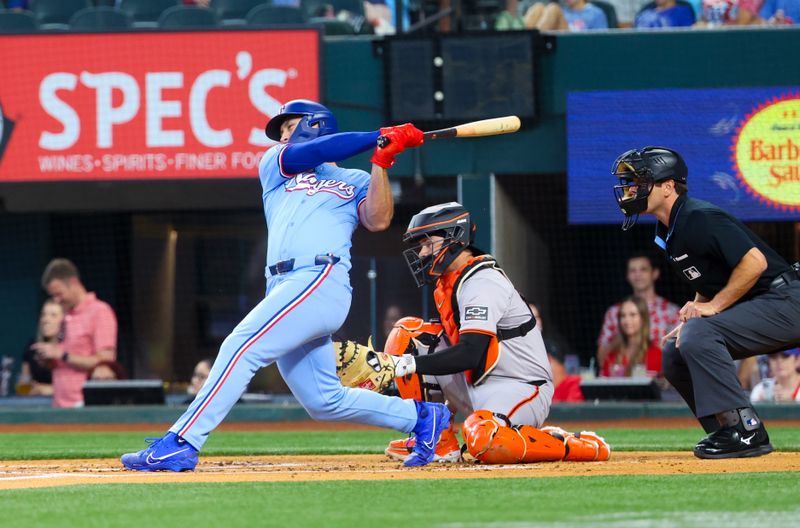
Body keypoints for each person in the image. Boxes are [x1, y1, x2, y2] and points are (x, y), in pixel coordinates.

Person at [121, 99, 450, 471]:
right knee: (324, 401)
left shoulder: (355, 180)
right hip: (282, 285)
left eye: (288, 126)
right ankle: (423, 418)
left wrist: (382, 160)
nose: (282, 134)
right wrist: (377, 135)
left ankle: (182, 442)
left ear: (314, 123)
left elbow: (378, 219)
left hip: (319, 278)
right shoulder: (277, 166)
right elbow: (320, 150)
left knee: (241, 346)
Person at [383, 203, 609, 464]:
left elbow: (470, 352)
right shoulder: (450, 281)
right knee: (407, 334)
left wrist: (397, 365)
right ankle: (438, 442)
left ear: (453, 237)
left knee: (486, 441)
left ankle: (574, 446)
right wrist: (391, 362)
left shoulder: (482, 281)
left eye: (427, 243)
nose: (422, 253)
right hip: (478, 383)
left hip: (521, 387)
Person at [612, 145, 800, 459]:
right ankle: (726, 429)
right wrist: (694, 311)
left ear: (668, 186)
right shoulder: (670, 229)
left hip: (786, 300)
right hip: (765, 306)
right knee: (675, 349)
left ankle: (747, 430)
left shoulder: (698, 216)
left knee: (701, 333)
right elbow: (710, 281)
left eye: (640, 181)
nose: (631, 189)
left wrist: (710, 309)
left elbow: (754, 263)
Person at [33, 259, 118, 408]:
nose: (57, 300)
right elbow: (63, 360)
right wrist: (48, 358)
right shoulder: (63, 315)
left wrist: (62, 354)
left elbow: (106, 361)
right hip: (59, 405)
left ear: (73, 283)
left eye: (59, 294)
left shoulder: (100, 311)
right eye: (53, 296)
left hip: (85, 405)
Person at [597, 252, 679, 366]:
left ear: (654, 273)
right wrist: (622, 338)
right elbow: (602, 358)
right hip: (623, 378)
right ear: (627, 276)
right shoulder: (614, 312)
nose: (638, 275)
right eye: (632, 270)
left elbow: (679, 354)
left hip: (661, 378)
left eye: (643, 269)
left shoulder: (671, 312)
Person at [528, 302, 583, 402]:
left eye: (537, 317)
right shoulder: (509, 353)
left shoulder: (553, 348)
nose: (535, 322)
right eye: (529, 317)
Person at [598, 296, 662, 378]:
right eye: (623, 316)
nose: (627, 320)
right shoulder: (612, 355)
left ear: (643, 318)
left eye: (632, 315)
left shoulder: (657, 354)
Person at [16, 299, 62, 396]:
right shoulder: (32, 346)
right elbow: (23, 382)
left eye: (53, 315)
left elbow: (77, 386)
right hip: (37, 404)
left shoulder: (71, 348)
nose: (46, 320)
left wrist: (47, 389)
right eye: (44, 314)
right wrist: (27, 387)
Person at [524, 0, 609, 31]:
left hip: (576, 46)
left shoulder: (596, 13)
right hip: (556, 44)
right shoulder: (563, 11)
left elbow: (601, 42)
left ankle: (529, 47)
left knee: (553, 8)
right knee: (538, 8)